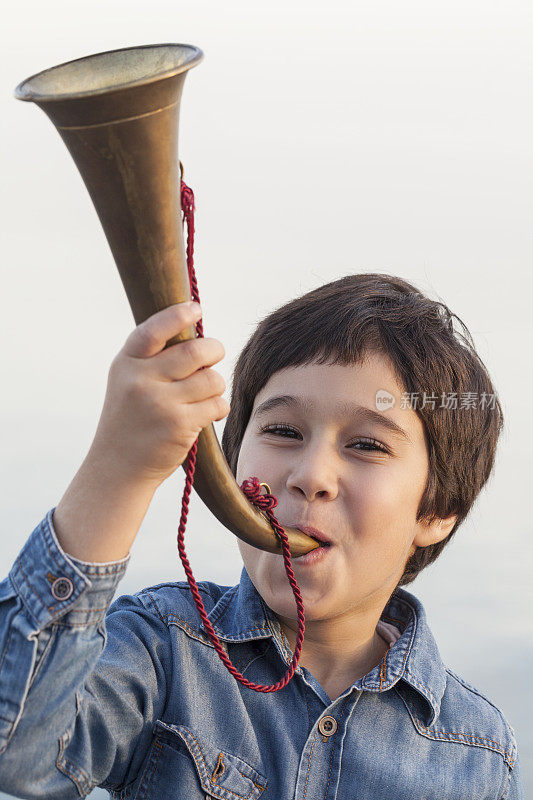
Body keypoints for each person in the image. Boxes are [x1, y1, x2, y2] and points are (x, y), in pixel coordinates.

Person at [0, 273, 525, 799]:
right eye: (283, 431)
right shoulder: (163, 647)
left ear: (437, 509)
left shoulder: (478, 752)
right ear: (228, 465)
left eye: (367, 444)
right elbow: (20, 750)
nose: (310, 476)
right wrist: (120, 465)